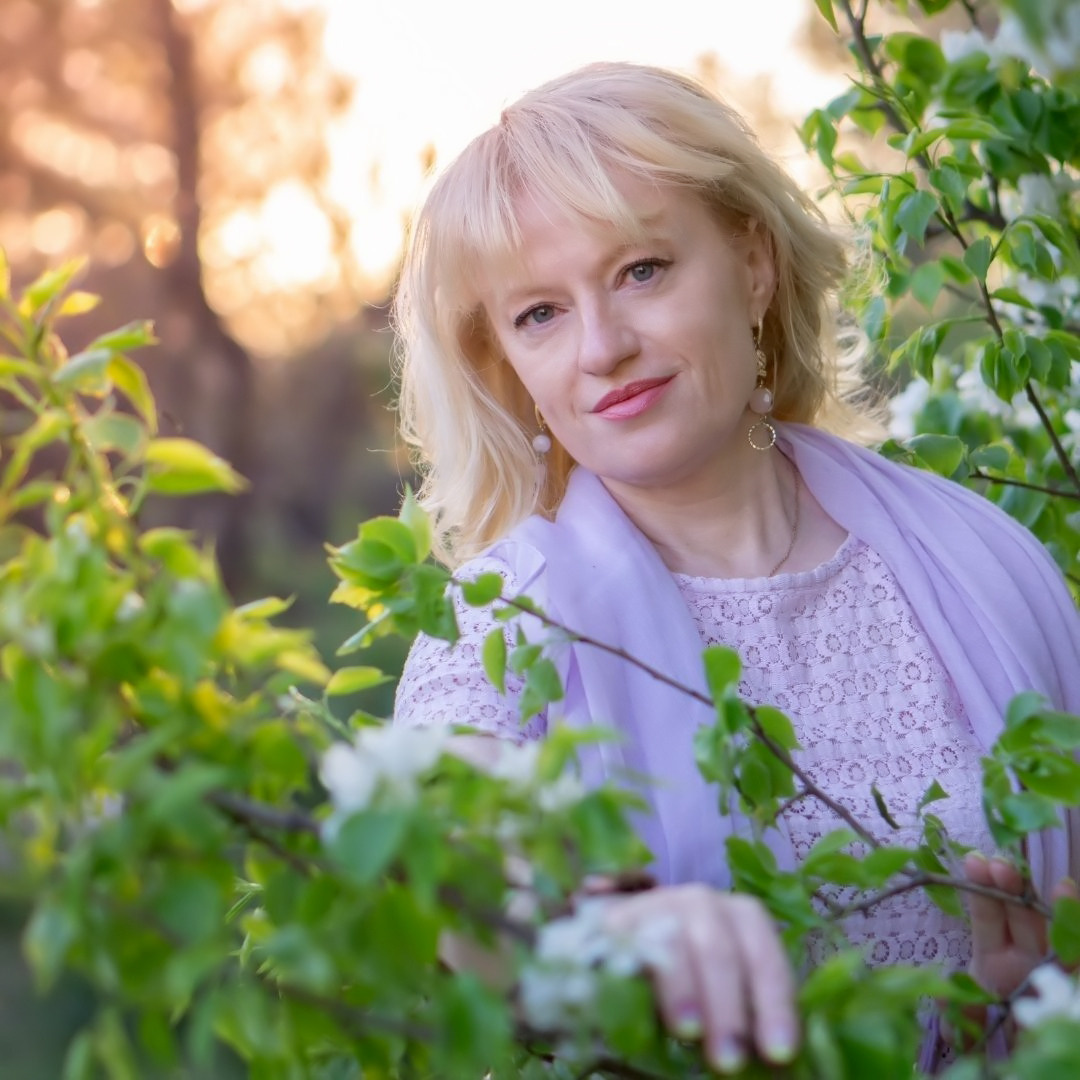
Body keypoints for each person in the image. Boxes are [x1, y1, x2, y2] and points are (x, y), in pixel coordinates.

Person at [390, 62, 1080, 1073]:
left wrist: (1024, 1022)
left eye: (642, 271)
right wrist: (604, 934)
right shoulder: (497, 629)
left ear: (751, 263)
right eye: (540, 313)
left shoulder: (973, 562)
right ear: (507, 364)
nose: (602, 348)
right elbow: (461, 898)